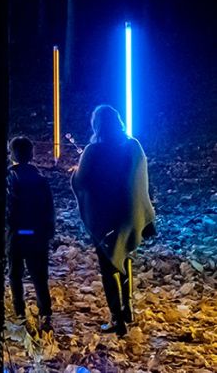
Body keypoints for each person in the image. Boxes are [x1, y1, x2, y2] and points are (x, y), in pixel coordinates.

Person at [72, 105, 156, 337]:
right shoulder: (133, 146)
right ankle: (127, 309)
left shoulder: (92, 150)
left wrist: (74, 172)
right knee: (125, 256)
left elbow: (80, 182)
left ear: (96, 124)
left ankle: (116, 320)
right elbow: (141, 179)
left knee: (108, 267)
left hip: (104, 217)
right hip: (128, 214)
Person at [6, 136, 55, 330]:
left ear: (12, 155)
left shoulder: (9, 178)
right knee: (39, 277)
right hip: (37, 235)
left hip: (16, 234)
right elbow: (49, 208)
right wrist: (48, 231)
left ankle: (20, 313)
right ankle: (45, 314)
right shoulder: (41, 179)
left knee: (15, 275)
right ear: (32, 154)